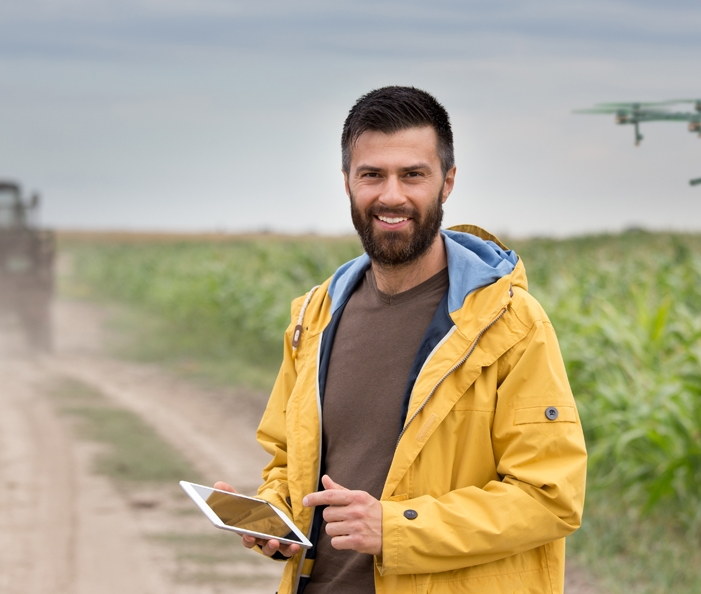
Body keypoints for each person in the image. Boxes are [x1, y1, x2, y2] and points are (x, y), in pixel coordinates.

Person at [214, 86, 586, 594]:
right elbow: (286, 459)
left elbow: (550, 496)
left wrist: (395, 528)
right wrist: (278, 516)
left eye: (413, 174)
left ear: (447, 182)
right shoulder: (314, 318)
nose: (392, 195)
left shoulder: (511, 324)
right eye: (372, 174)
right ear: (347, 182)